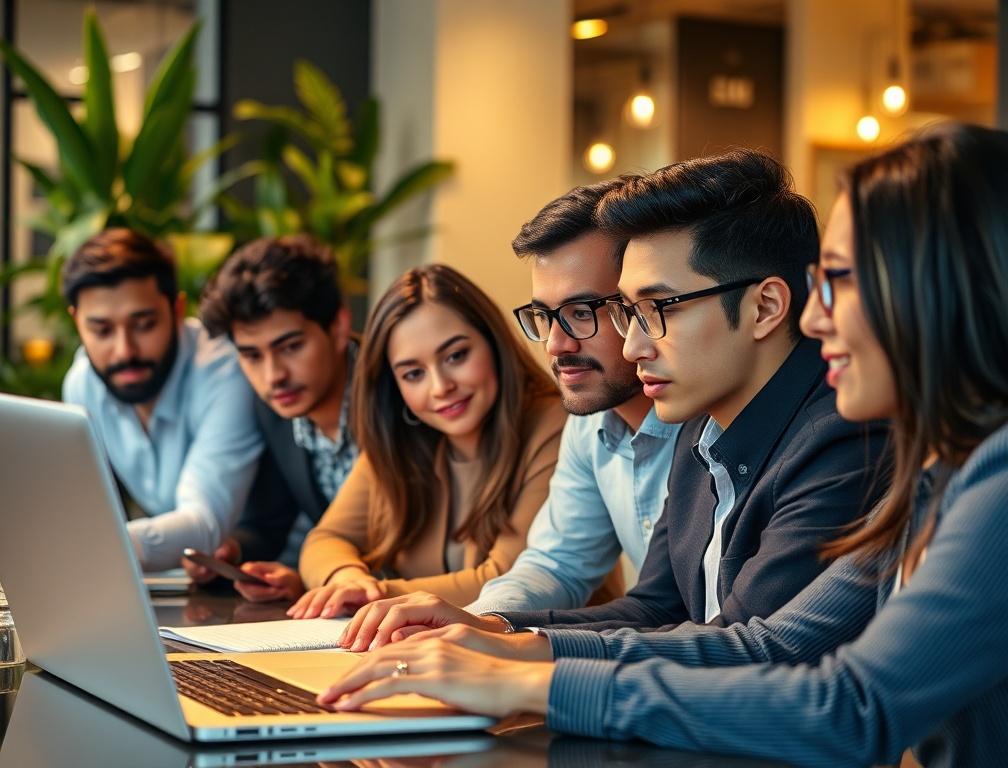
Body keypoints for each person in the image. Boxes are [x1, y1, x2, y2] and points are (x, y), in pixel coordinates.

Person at [319, 124, 1008, 767]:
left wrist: (529, 681)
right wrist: (507, 642)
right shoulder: (935, 472)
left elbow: (848, 705)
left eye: (841, 279)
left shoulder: (966, 470)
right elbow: (767, 641)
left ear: (943, 285)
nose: (818, 314)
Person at [331, 149, 888, 653]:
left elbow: (744, 650)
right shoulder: (704, 431)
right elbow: (654, 608)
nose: (632, 344)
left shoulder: (841, 437)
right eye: (627, 312)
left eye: (658, 309)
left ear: (765, 307)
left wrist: (523, 658)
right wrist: (493, 629)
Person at [286, 264, 566, 617]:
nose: (440, 387)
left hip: (554, 642)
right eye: (414, 374)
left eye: (456, 356)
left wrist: (373, 594)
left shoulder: (554, 424)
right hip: (434, 642)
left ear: (494, 344)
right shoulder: (402, 440)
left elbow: (510, 580)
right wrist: (346, 577)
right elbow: (325, 539)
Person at [460, 179, 680, 616]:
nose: (556, 345)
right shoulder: (590, 423)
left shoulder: (712, 421)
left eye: (581, 312)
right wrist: (482, 623)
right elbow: (557, 565)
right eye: (544, 316)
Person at [61, 228, 262, 571]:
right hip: (190, 578)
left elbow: (206, 525)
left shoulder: (225, 370)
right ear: (76, 321)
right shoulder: (83, 385)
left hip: (282, 577)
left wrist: (82, 549)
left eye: (144, 324)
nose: (124, 351)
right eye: (102, 330)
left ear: (177, 309)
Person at [187, 235, 357, 602]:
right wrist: (232, 553)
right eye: (252, 356)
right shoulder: (273, 408)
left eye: (291, 347)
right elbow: (267, 520)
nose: (273, 375)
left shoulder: (401, 389)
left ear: (339, 327)